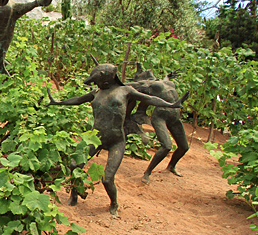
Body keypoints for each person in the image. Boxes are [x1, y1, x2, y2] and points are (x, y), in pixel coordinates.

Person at [47, 63, 186, 217]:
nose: (96, 85)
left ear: (107, 79)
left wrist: (171, 104)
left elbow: (150, 98)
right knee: (74, 165)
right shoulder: (96, 93)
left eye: (97, 81)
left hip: (116, 140)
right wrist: (58, 102)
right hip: (96, 138)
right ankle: (74, 193)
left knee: (107, 179)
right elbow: (78, 99)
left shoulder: (125, 91)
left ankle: (114, 203)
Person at [126, 68, 189, 184]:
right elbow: (132, 85)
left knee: (184, 147)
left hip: (175, 116)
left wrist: (168, 76)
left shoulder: (164, 82)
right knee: (166, 146)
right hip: (160, 116)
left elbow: (164, 81)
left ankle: (171, 166)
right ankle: (147, 173)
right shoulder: (152, 85)